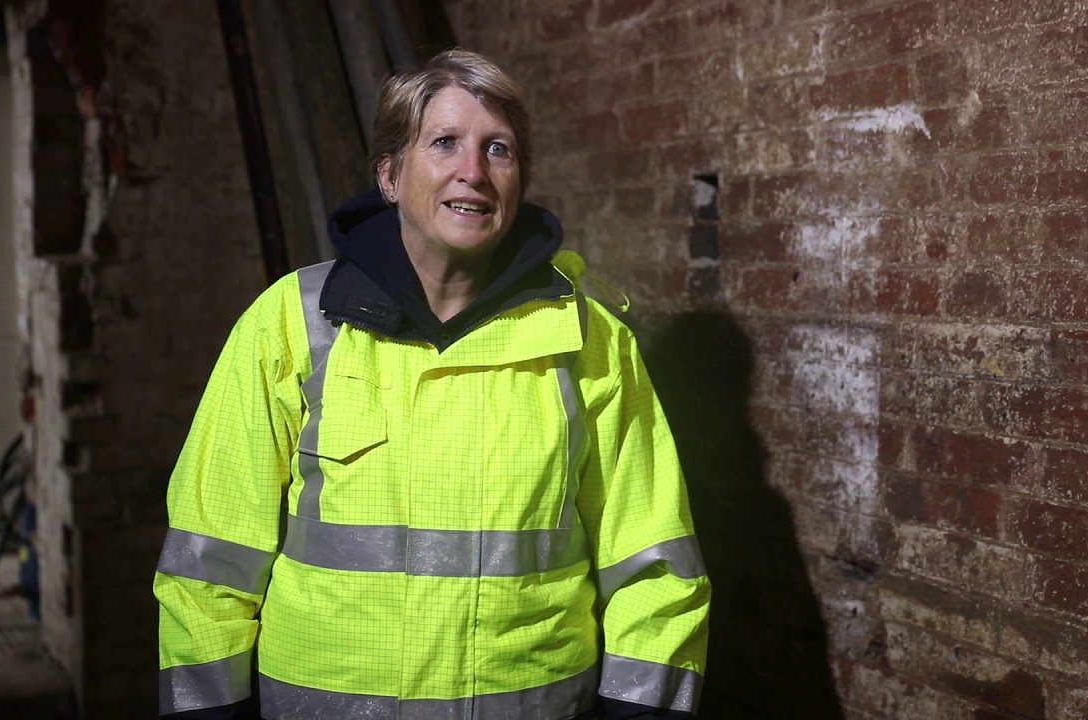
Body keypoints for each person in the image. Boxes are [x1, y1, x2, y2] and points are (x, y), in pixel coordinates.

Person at [154, 49, 710, 720]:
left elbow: (654, 569)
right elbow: (210, 564)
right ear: (390, 174)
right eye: (445, 142)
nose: (472, 172)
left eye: (497, 149)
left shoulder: (588, 341)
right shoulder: (291, 326)